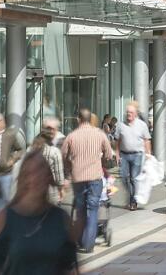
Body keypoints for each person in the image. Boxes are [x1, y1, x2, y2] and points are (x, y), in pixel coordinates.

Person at [0, 150, 77, 275]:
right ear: (22, 179)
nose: (36, 178)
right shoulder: (4, 219)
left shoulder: (61, 219)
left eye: (41, 172)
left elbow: (69, 267)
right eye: (30, 173)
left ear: (49, 177)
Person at [61, 108, 113, 253]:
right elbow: (109, 154)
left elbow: (63, 155)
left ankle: (81, 239)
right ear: (90, 119)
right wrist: (101, 161)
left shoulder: (71, 136)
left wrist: (69, 167)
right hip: (95, 177)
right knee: (93, 209)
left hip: (78, 178)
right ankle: (89, 244)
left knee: (80, 209)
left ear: (78, 119)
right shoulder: (100, 134)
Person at [113, 102, 152, 211]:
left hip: (137, 155)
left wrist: (148, 154)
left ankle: (133, 201)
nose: (128, 114)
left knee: (134, 178)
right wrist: (117, 154)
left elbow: (147, 140)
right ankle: (131, 196)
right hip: (124, 155)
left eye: (131, 112)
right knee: (124, 178)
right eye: (127, 112)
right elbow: (117, 140)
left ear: (135, 114)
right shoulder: (121, 125)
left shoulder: (142, 125)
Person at [32, 126, 65, 206]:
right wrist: (61, 189)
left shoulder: (32, 150)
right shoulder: (55, 151)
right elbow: (59, 174)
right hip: (50, 190)